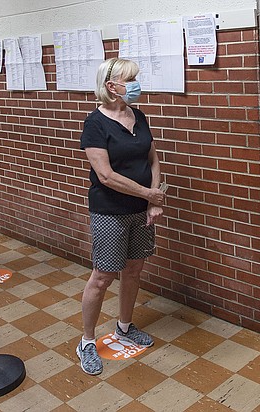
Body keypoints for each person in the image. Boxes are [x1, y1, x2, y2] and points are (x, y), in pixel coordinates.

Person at [77, 58, 166, 375]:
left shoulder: (138, 116)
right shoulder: (95, 125)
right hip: (110, 212)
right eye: (131, 79)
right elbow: (106, 176)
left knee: (133, 270)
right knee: (102, 277)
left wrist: (153, 200)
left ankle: (124, 327)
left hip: (141, 211)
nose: (137, 84)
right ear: (111, 86)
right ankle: (87, 342)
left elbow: (153, 159)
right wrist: (148, 195)